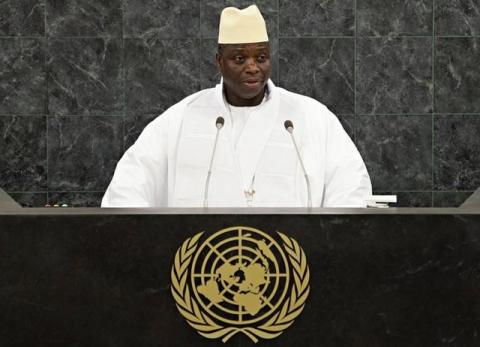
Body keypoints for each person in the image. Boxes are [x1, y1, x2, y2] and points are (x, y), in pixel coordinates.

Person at [101, 4, 372, 208]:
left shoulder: (311, 118)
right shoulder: (181, 119)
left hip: (295, 275)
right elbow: (129, 187)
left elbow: (351, 186)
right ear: (219, 61)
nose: (253, 67)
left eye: (261, 57)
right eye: (240, 58)